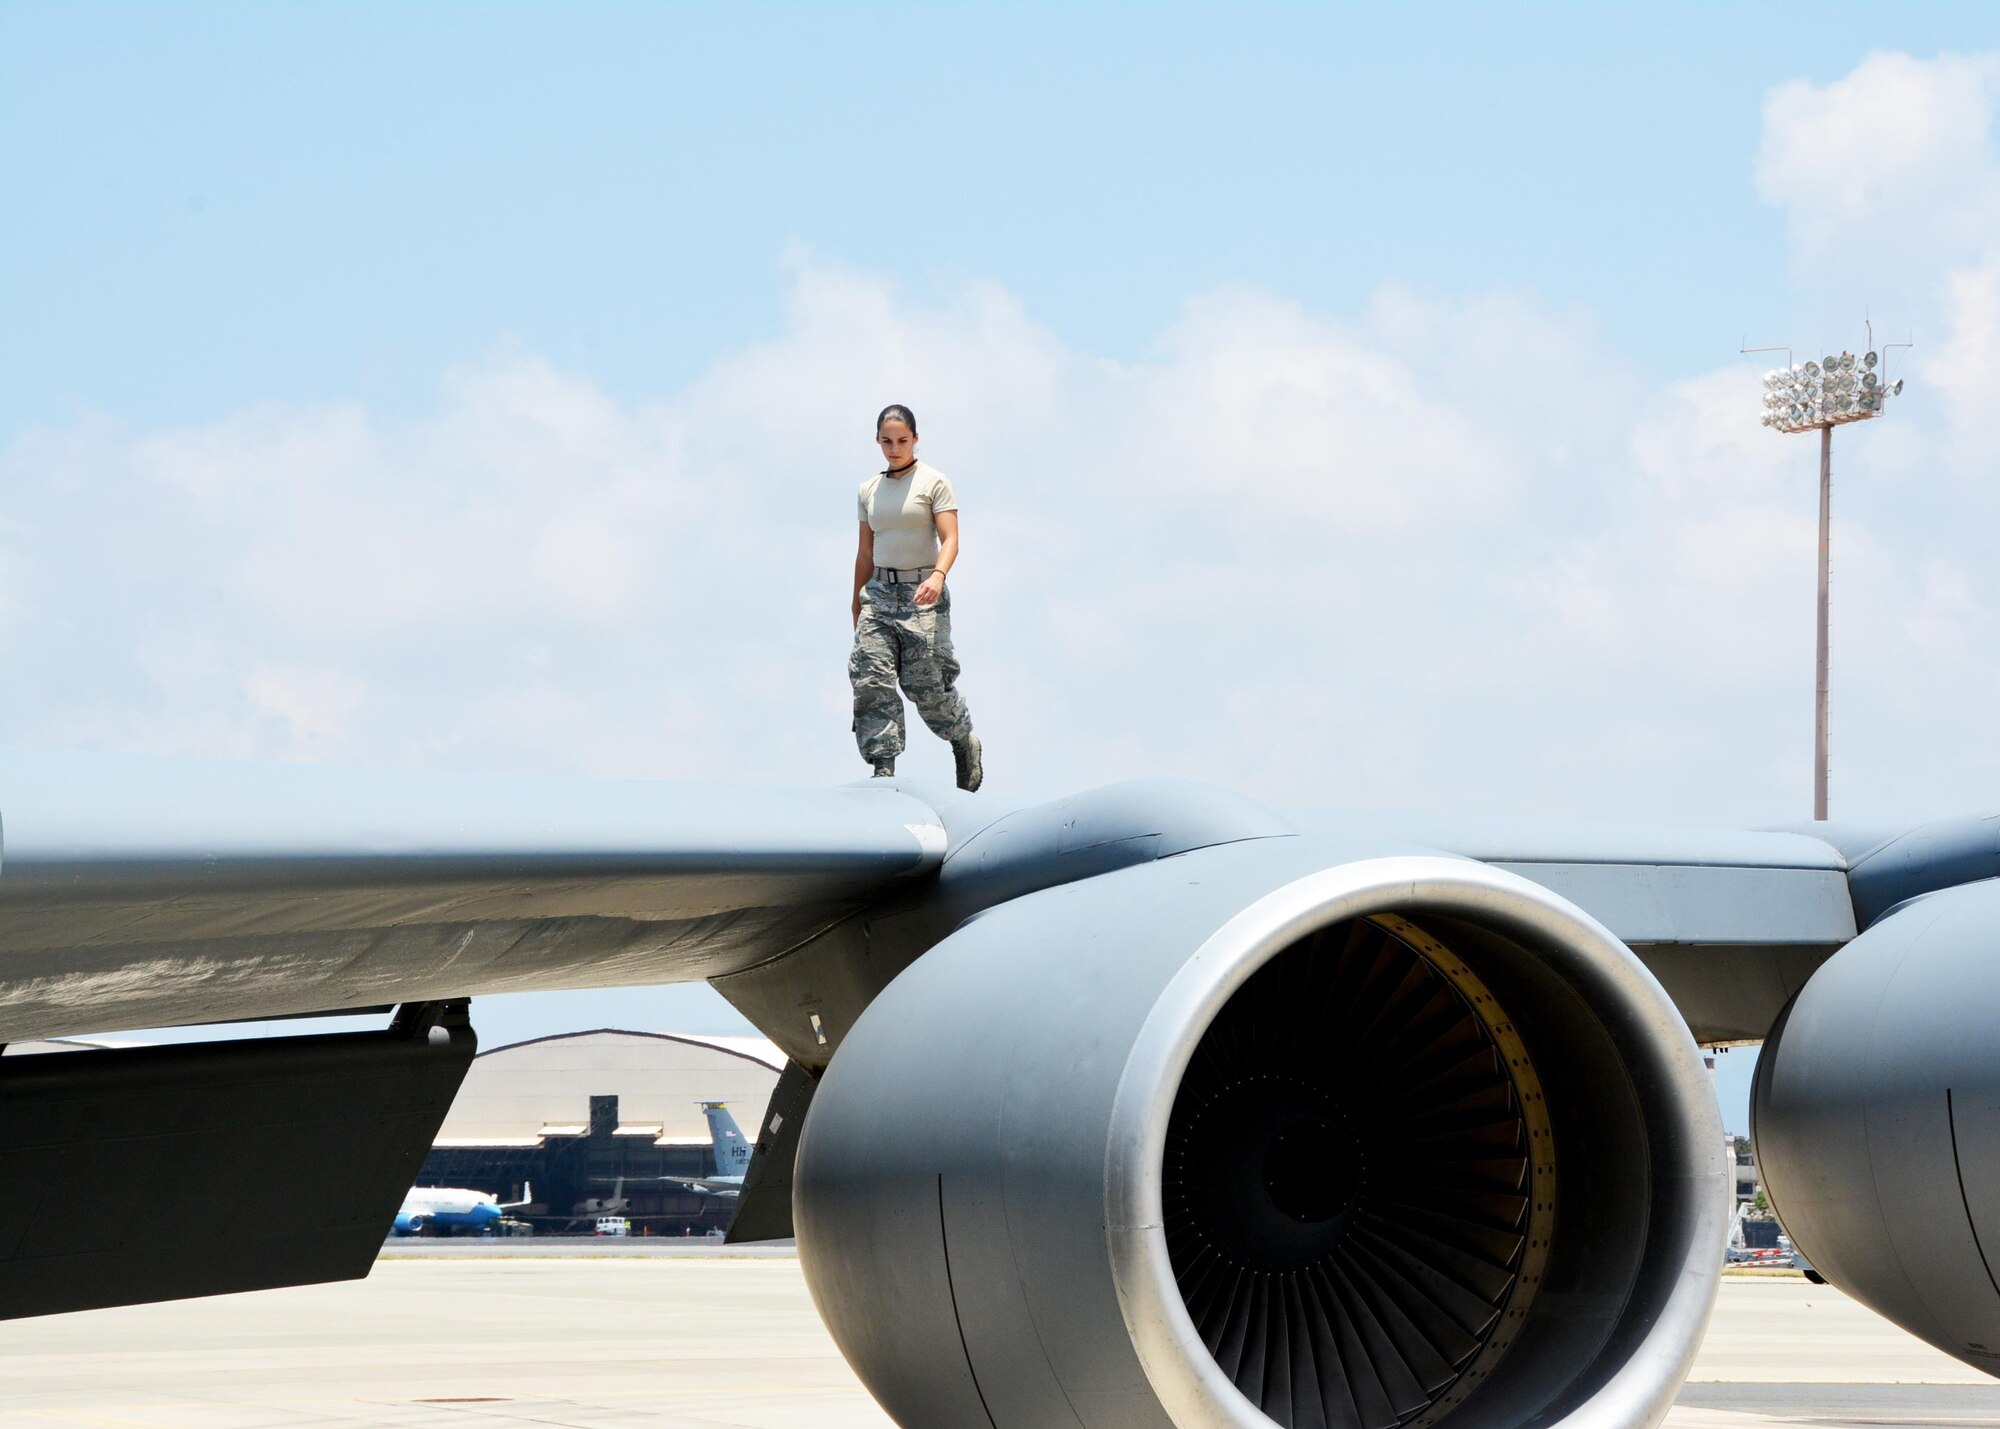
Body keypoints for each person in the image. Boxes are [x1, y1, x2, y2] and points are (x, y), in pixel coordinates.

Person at [849, 404, 983, 790]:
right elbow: (864, 552)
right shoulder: (868, 490)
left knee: (926, 687)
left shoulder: (934, 482)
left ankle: (962, 740)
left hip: (922, 593)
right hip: (879, 593)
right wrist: (856, 601)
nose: (894, 449)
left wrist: (939, 576)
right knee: (870, 677)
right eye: (887, 441)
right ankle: (883, 767)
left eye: (902, 441)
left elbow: (951, 538)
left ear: (915, 439)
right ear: (877, 440)